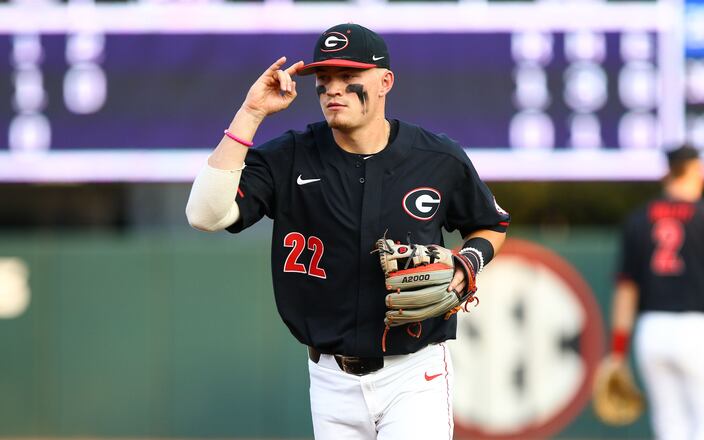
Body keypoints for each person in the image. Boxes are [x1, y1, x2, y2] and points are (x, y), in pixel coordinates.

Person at [185, 23, 509, 440]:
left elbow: (490, 223)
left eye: (348, 78)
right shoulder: (291, 155)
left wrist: (468, 262)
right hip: (329, 378)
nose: (333, 89)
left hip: (414, 373)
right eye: (324, 81)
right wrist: (251, 114)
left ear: (384, 82)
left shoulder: (436, 157)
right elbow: (205, 214)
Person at [607, 145, 704, 439]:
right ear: (695, 170)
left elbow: (626, 292)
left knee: (671, 428)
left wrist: (617, 353)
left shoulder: (639, 219)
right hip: (699, 330)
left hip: (651, 331)